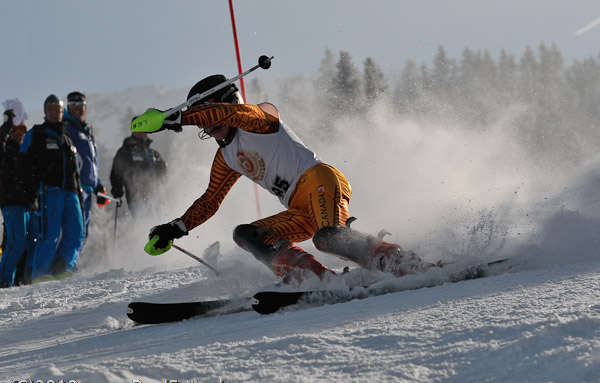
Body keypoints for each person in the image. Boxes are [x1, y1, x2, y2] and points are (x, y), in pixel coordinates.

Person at [139, 75, 434, 284]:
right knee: (248, 234)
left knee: (328, 237)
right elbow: (209, 200)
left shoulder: (257, 120)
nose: (210, 130)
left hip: (319, 180)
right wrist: (174, 228)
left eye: (210, 121)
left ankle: (400, 263)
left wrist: (174, 118)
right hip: (297, 207)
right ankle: (315, 278)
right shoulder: (226, 156)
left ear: (224, 107)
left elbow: (234, 113)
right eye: (206, 127)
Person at [19, 95, 84, 279]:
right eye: (51, 108)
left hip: (71, 191)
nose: (55, 112)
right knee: (50, 233)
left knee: (77, 232)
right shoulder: (37, 133)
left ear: (62, 112)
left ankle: (63, 267)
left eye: (58, 108)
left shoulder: (67, 138)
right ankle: (40, 272)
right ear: (45, 111)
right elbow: (24, 163)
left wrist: (78, 193)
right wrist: (29, 191)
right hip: (50, 190)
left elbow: (75, 170)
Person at [0, 101, 37, 287]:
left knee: (31, 244)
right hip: (12, 203)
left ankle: (22, 280)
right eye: (16, 131)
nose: (19, 134)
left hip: (28, 204)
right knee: (15, 244)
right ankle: (3, 280)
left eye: (22, 131)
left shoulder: (26, 155)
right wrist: (8, 123)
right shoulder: (5, 152)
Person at [63, 91, 108, 244]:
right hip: (74, 188)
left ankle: (69, 266)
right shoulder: (66, 128)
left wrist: (98, 186)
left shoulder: (86, 131)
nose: (77, 108)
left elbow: (89, 163)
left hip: (88, 189)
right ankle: (59, 267)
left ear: (85, 108)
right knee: (74, 231)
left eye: (80, 105)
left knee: (82, 233)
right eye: (73, 105)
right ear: (68, 107)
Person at [109, 120, 168, 217]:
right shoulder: (126, 150)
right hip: (138, 198)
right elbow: (116, 173)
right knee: (148, 224)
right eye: (141, 129)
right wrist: (117, 191)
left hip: (157, 198)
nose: (145, 132)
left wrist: (163, 168)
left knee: (162, 226)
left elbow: (162, 175)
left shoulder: (153, 152)